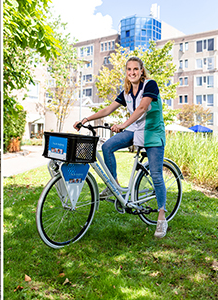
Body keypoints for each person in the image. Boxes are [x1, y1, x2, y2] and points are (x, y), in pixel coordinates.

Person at [74, 56, 169, 237]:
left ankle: (162, 217)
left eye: (135, 69)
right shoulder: (126, 91)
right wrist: (86, 119)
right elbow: (107, 110)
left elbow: (142, 108)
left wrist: (123, 125)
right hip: (135, 129)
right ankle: (114, 186)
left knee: (156, 174)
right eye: (129, 69)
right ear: (126, 72)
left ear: (141, 71)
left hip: (152, 133)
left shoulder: (150, 85)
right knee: (108, 146)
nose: (132, 72)